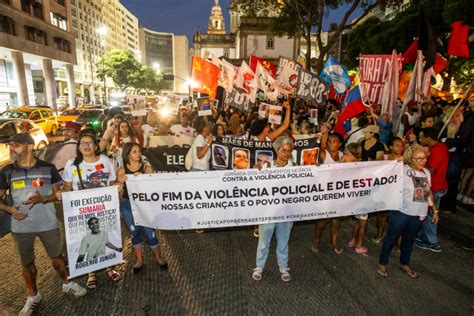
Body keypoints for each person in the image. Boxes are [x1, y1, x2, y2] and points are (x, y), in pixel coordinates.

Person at [0, 133, 86, 316]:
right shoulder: (7, 171)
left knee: (57, 258)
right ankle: (33, 296)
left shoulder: (48, 168)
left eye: (16, 144)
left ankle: (67, 284)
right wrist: (11, 211)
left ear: (30, 146)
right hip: (21, 227)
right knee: (27, 263)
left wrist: (43, 198)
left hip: (48, 223)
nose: (11, 148)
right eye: (10, 145)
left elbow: (58, 195)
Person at [62, 132, 122, 289]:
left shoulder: (105, 161)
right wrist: (62, 195)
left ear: (96, 146)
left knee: (106, 236)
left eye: (89, 143)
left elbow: (112, 181)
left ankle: (110, 267)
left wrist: (117, 187)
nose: (86, 146)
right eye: (82, 143)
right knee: (87, 240)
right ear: (78, 147)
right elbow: (67, 187)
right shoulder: (72, 164)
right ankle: (91, 273)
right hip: (82, 211)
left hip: (104, 208)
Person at [377, 144, 439, 278]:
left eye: (424, 158)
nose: (423, 161)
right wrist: (397, 160)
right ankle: (382, 263)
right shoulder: (401, 170)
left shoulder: (426, 172)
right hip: (401, 212)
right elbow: (383, 172)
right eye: (418, 158)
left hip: (418, 215)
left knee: (409, 241)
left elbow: (428, 192)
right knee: (391, 238)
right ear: (410, 159)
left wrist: (434, 210)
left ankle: (405, 263)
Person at [116, 143, 168, 273]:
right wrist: (120, 185)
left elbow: (154, 190)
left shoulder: (147, 168)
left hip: (144, 206)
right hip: (127, 206)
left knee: (150, 233)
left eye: (139, 151)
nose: (138, 153)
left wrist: (144, 179)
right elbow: (120, 195)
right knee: (134, 233)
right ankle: (139, 260)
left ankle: (158, 257)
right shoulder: (121, 171)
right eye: (134, 151)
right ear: (127, 154)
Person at [252, 136, 294, 282]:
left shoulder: (295, 168)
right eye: (283, 150)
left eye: (289, 151)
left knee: (283, 241)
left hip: (286, 212)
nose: (286, 153)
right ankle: (259, 267)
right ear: (276, 150)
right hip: (268, 212)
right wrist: (254, 172)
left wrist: (318, 169)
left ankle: (283, 267)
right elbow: (257, 186)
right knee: (264, 241)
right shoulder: (266, 167)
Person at [415, 127, 449, 252]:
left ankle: (431, 242)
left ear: (428, 138)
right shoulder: (437, 148)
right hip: (433, 185)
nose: (419, 139)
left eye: (421, 137)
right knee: (425, 213)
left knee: (430, 215)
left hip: (435, 186)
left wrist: (415, 165)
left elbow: (431, 170)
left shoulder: (438, 150)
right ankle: (424, 237)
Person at [312, 133, 344, 254]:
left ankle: (333, 241)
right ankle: (316, 240)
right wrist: (323, 136)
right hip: (324, 192)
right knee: (323, 220)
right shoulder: (324, 154)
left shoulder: (343, 156)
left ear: (340, 144)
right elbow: (318, 152)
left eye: (334, 141)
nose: (331, 144)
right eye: (329, 141)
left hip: (338, 192)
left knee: (336, 218)